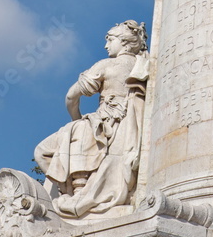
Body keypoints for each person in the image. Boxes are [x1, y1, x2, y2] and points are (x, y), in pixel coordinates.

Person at [34, 21, 149, 218]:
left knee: (42, 151)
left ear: (124, 42)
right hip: (128, 129)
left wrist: (76, 122)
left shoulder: (106, 65)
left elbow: (71, 97)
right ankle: (75, 193)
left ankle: (70, 195)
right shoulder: (145, 65)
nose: (106, 46)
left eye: (110, 40)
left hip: (101, 124)